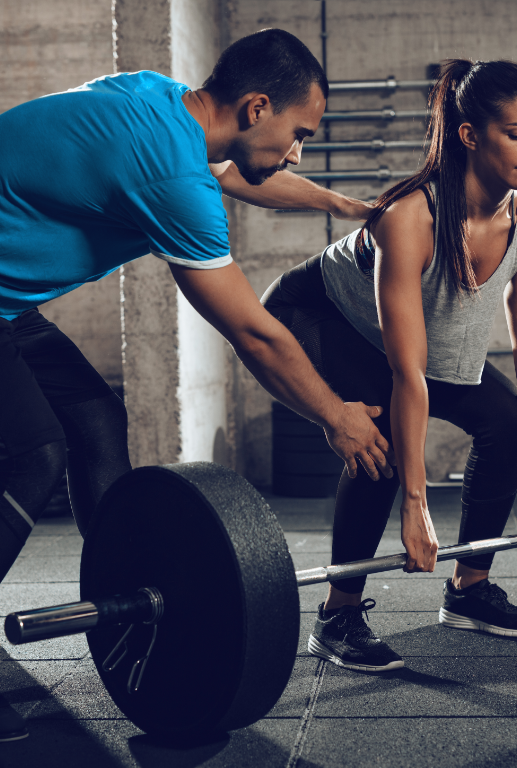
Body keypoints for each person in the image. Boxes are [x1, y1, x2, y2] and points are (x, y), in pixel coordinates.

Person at [0, 29, 394, 740]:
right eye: (298, 133)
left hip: (10, 303)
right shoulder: (169, 176)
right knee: (37, 453)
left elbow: (242, 175)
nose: (297, 151)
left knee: (95, 421)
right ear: (255, 107)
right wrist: (335, 414)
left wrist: (344, 208)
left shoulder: (161, 102)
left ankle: (121, 592)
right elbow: (252, 333)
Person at [262, 58, 517, 674]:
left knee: (507, 421)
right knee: (378, 441)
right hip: (317, 315)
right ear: (470, 135)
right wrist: (416, 502)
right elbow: (409, 374)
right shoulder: (411, 217)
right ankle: (338, 615)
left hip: (414, 339)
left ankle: (468, 590)